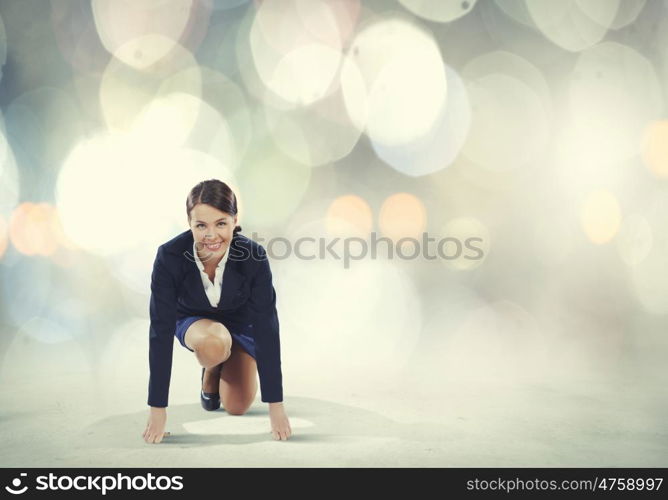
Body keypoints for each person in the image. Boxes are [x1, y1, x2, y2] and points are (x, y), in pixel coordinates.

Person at [142, 179, 291, 443]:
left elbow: (266, 325)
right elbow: (160, 330)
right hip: (195, 321)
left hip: (240, 324)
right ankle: (212, 366)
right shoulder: (169, 256)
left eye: (221, 223)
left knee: (237, 406)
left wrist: (275, 406)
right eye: (201, 225)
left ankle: (222, 361)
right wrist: (157, 409)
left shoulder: (253, 256)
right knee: (214, 342)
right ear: (189, 223)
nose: (211, 235)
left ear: (234, 220)